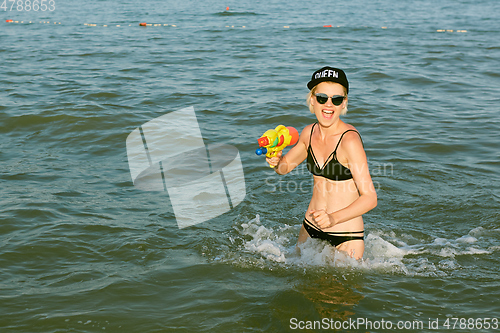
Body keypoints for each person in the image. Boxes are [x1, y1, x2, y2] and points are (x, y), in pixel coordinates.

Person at [266, 66, 377, 259]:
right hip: (310, 226)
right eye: (322, 97)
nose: (329, 104)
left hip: (344, 233)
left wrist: (333, 218)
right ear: (312, 99)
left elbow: (370, 198)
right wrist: (276, 159)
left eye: (336, 99)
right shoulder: (309, 133)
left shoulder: (349, 141)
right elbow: (283, 169)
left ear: (344, 103)